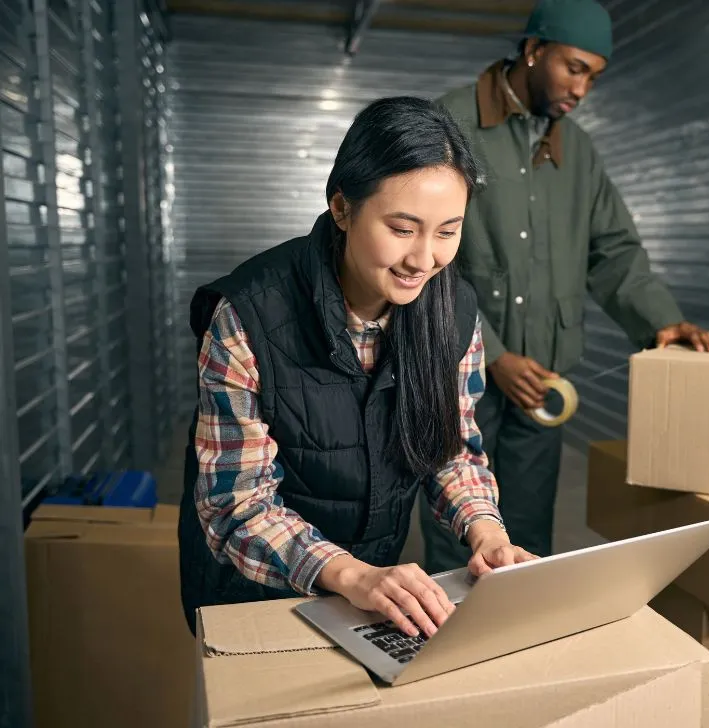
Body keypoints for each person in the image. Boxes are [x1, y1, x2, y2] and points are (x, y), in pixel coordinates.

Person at [177, 96, 535, 640]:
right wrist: (350, 574)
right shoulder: (248, 315)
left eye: (447, 232)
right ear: (342, 208)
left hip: (368, 593)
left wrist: (486, 531)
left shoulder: (454, 310)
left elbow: (449, 447)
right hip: (252, 595)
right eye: (402, 228)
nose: (424, 260)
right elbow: (237, 504)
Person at [419, 0, 709, 574]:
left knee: (527, 535)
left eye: (594, 77)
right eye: (574, 68)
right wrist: (496, 357)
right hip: (459, 377)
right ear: (533, 51)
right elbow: (427, 263)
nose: (582, 89)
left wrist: (661, 320)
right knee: (456, 530)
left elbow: (614, 250)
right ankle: (449, 652)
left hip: (544, 384)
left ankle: (523, 653)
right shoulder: (450, 124)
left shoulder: (576, 151)